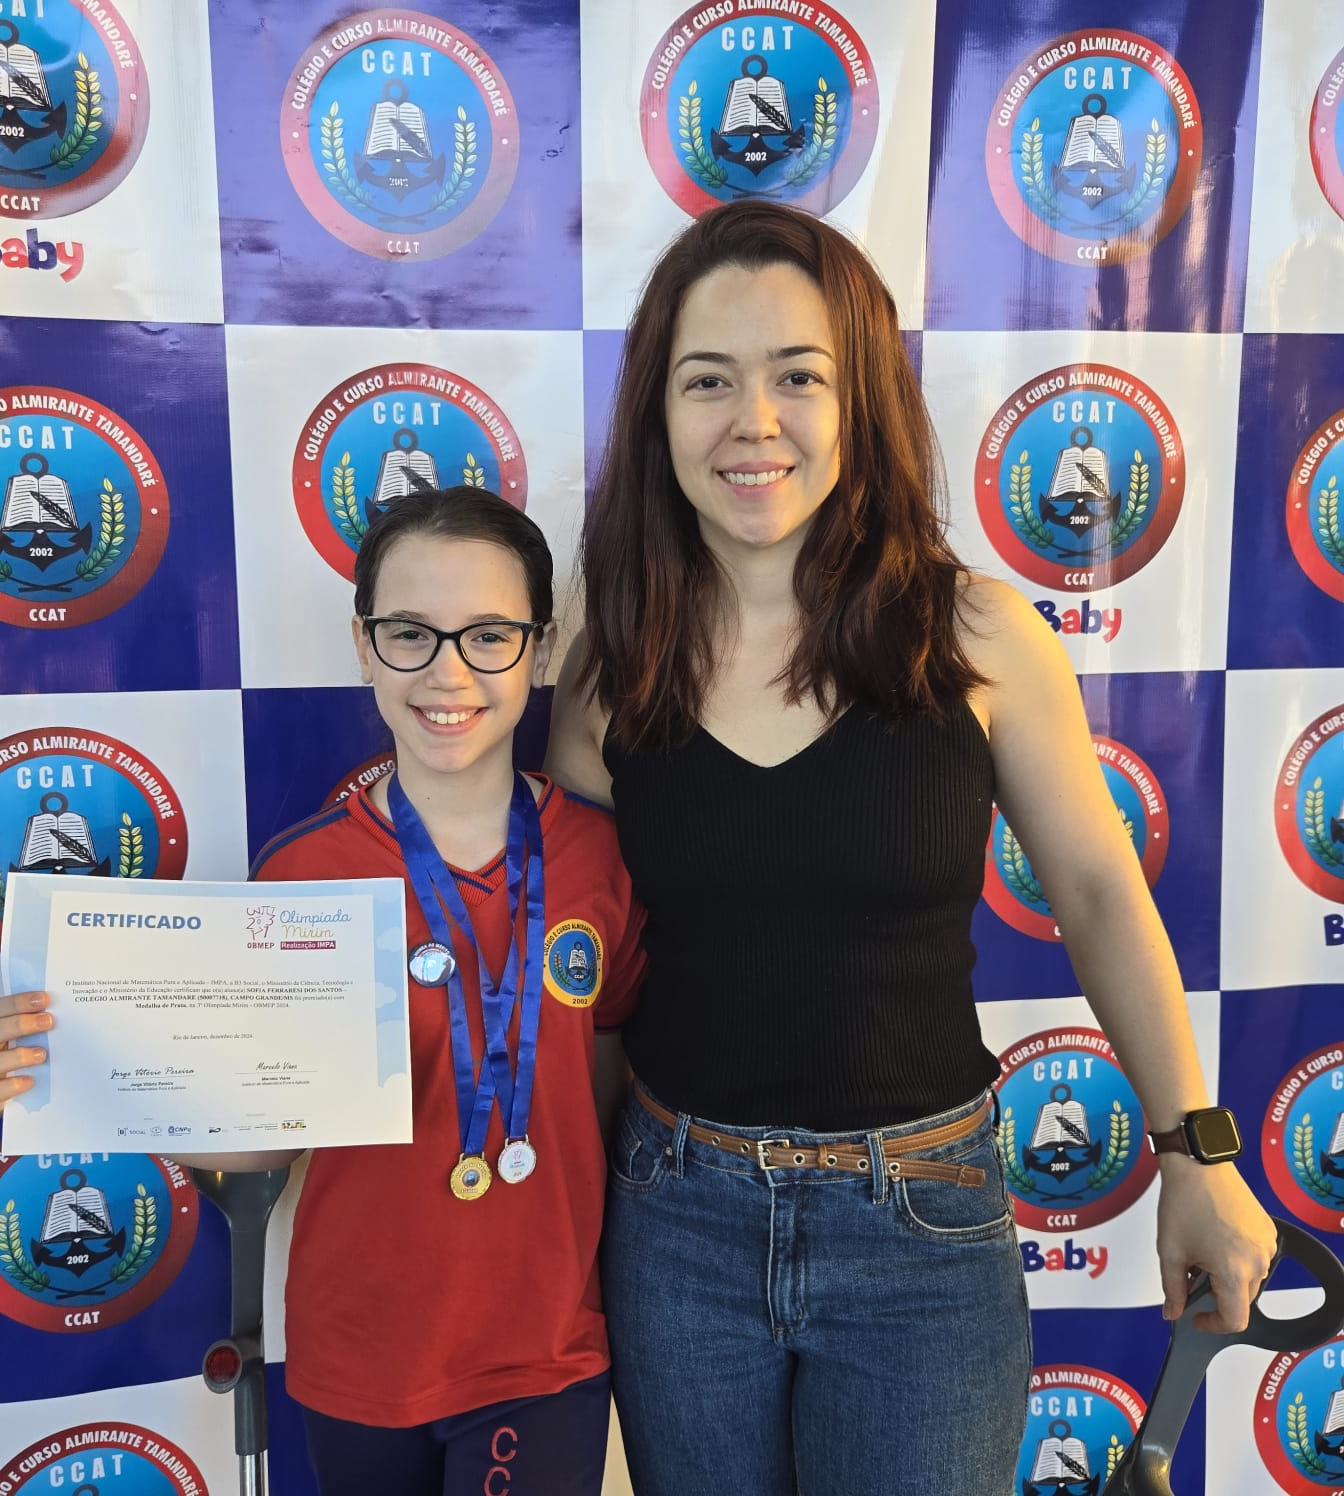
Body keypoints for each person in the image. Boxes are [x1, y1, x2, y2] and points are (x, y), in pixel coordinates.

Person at [544, 200, 1277, 1496]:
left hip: (920, 1232)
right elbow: (582, 975)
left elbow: (1098, 892)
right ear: (656, 411)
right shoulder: (614, 665)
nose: (752, 420)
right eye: (707, 380)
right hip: (674, 1224)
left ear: (862, 401)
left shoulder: (977, 636)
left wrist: (1196, 1151)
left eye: (798, 376)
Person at [0, 488, 644, 1496]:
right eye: (409, 633)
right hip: (358, 1352)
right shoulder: (303, 876)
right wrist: (71, 1067)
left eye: (489, 635)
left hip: (544, 1352)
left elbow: (605, 1092)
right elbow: (260, 1140)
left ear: (539, 650)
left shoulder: (600, 859)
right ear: (364, 646)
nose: (448, 671)